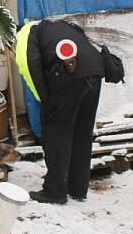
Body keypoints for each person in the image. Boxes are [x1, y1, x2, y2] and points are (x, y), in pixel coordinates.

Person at [15, 20, 104, 204]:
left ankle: (54, 192)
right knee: (82, 132)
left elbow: (28, 64)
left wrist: (44, 98)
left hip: (70, 76)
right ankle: (78, 188)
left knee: (57, 134)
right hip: (94, 72)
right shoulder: (61, 26)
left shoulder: (25, 33)